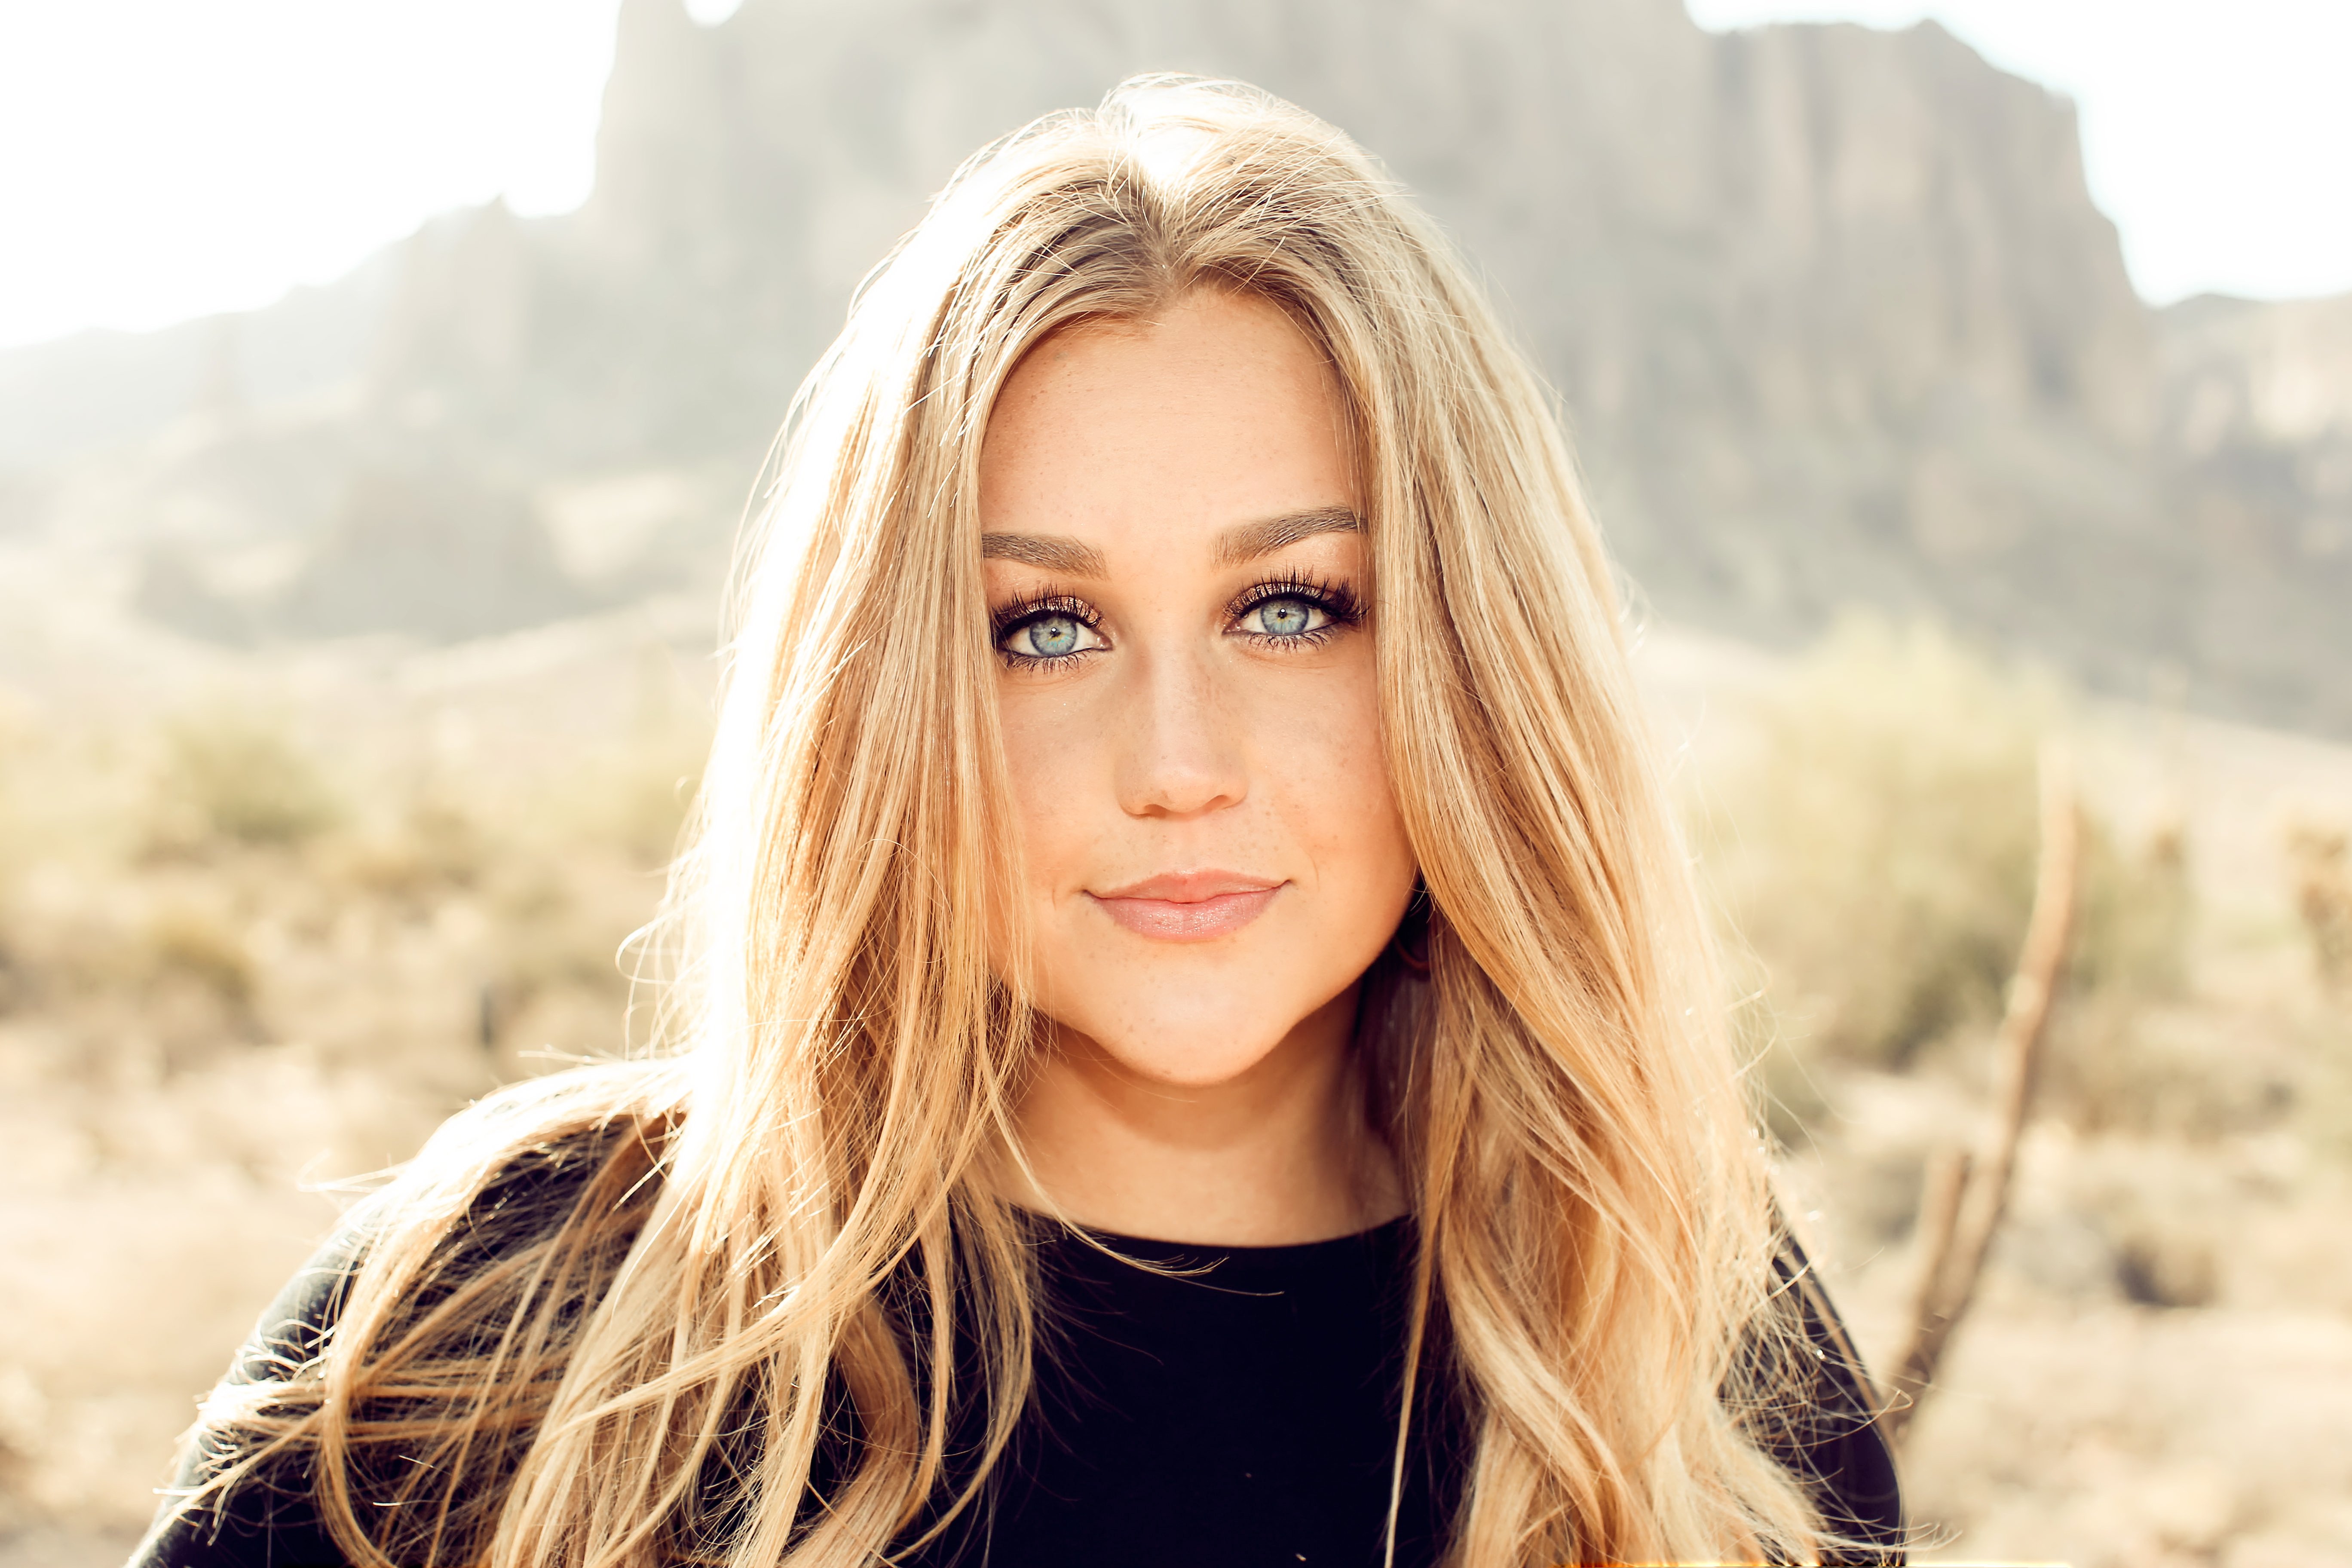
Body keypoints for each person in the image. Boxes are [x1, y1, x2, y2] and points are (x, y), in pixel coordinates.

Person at [135, 77, 1902, 1568]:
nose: (1177, 761)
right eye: (1039, 629)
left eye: (1292, 605)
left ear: (1470, 657)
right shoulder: (508, 1338)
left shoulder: (1687, 1354)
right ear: (888, 701)